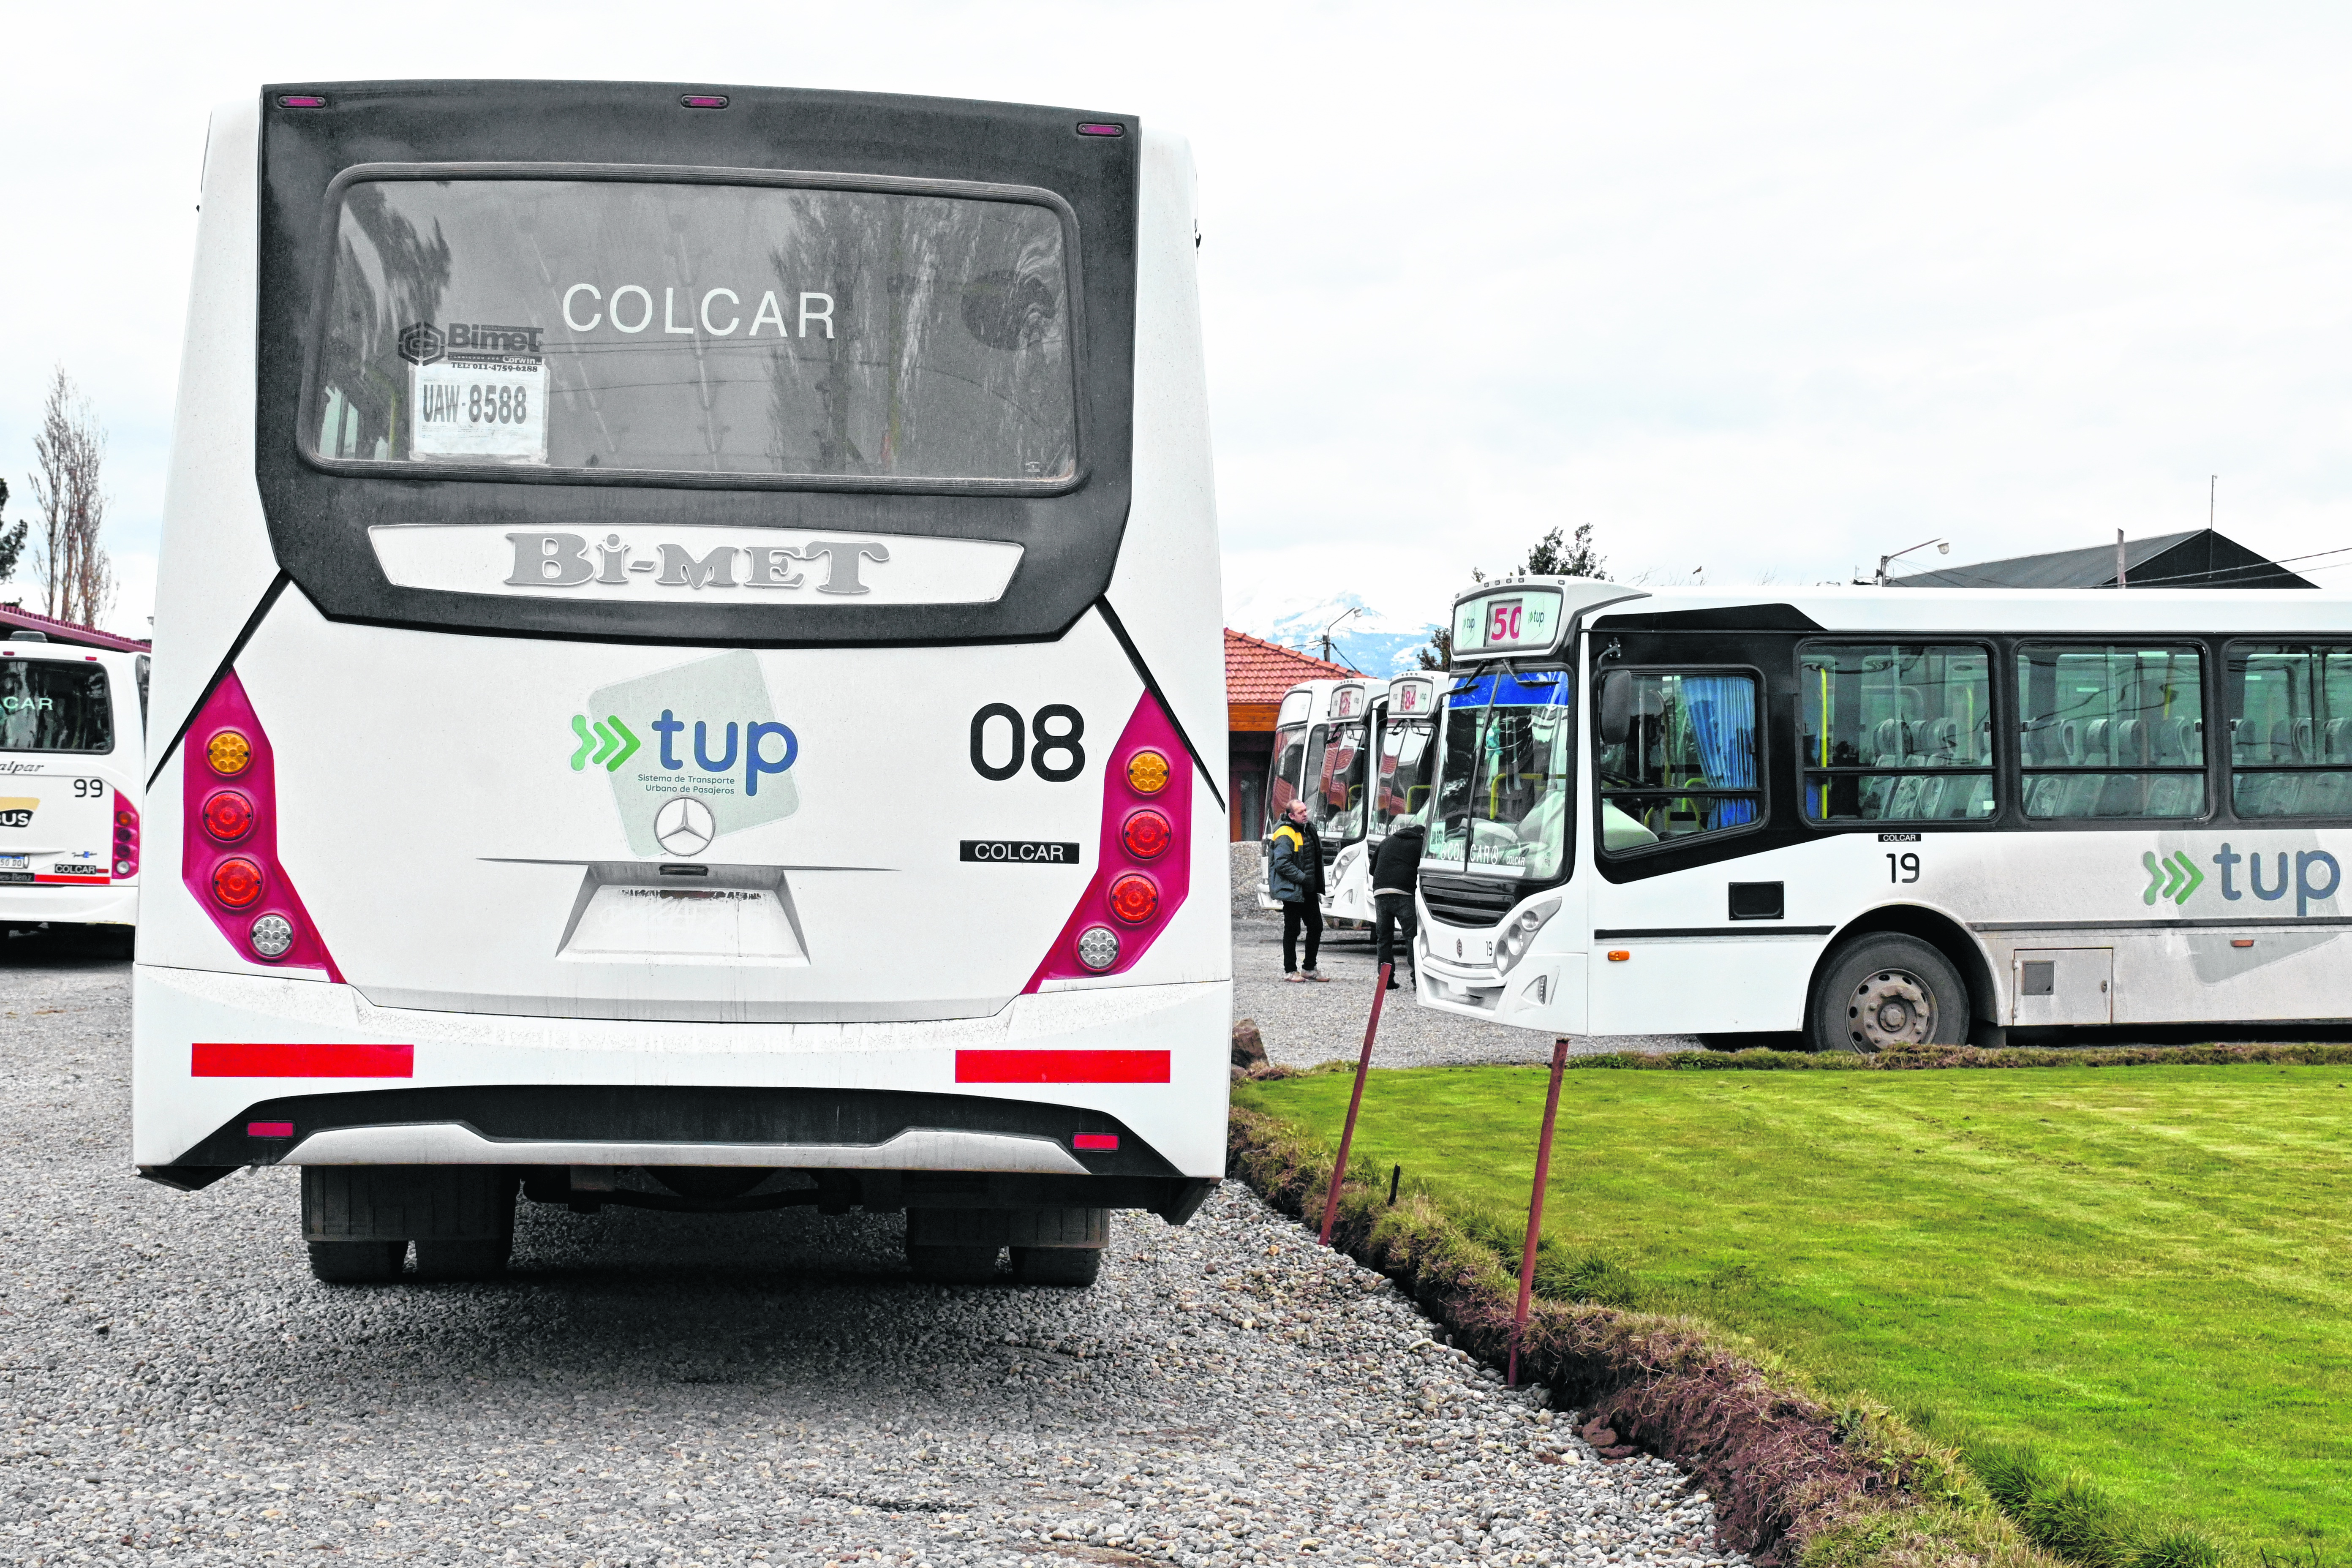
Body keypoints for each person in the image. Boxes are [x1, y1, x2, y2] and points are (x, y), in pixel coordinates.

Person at [1266, 799, 1327, 982]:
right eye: (1301, 812)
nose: (1305, 814)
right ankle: (1290, 970)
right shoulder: (1285, 833)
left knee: (1316, 927)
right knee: (1293, 930)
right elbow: (1282, 863)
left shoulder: (1309, 828)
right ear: (1291, 815)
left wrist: (1313, 883)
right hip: (1292, 890)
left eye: (1306, 810)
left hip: (1308, 890)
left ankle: (1309, 968)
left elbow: (1315, 858)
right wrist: (1303, 878)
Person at [1370, 814, 1424, 989]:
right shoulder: (1420, 844)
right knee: (1411, 937)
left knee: (1384, 938)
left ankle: (1386, 980)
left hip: (1380, 892)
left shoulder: (1387, 841)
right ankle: (1418, 981)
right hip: (1403, 893)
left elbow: (1372, 869)